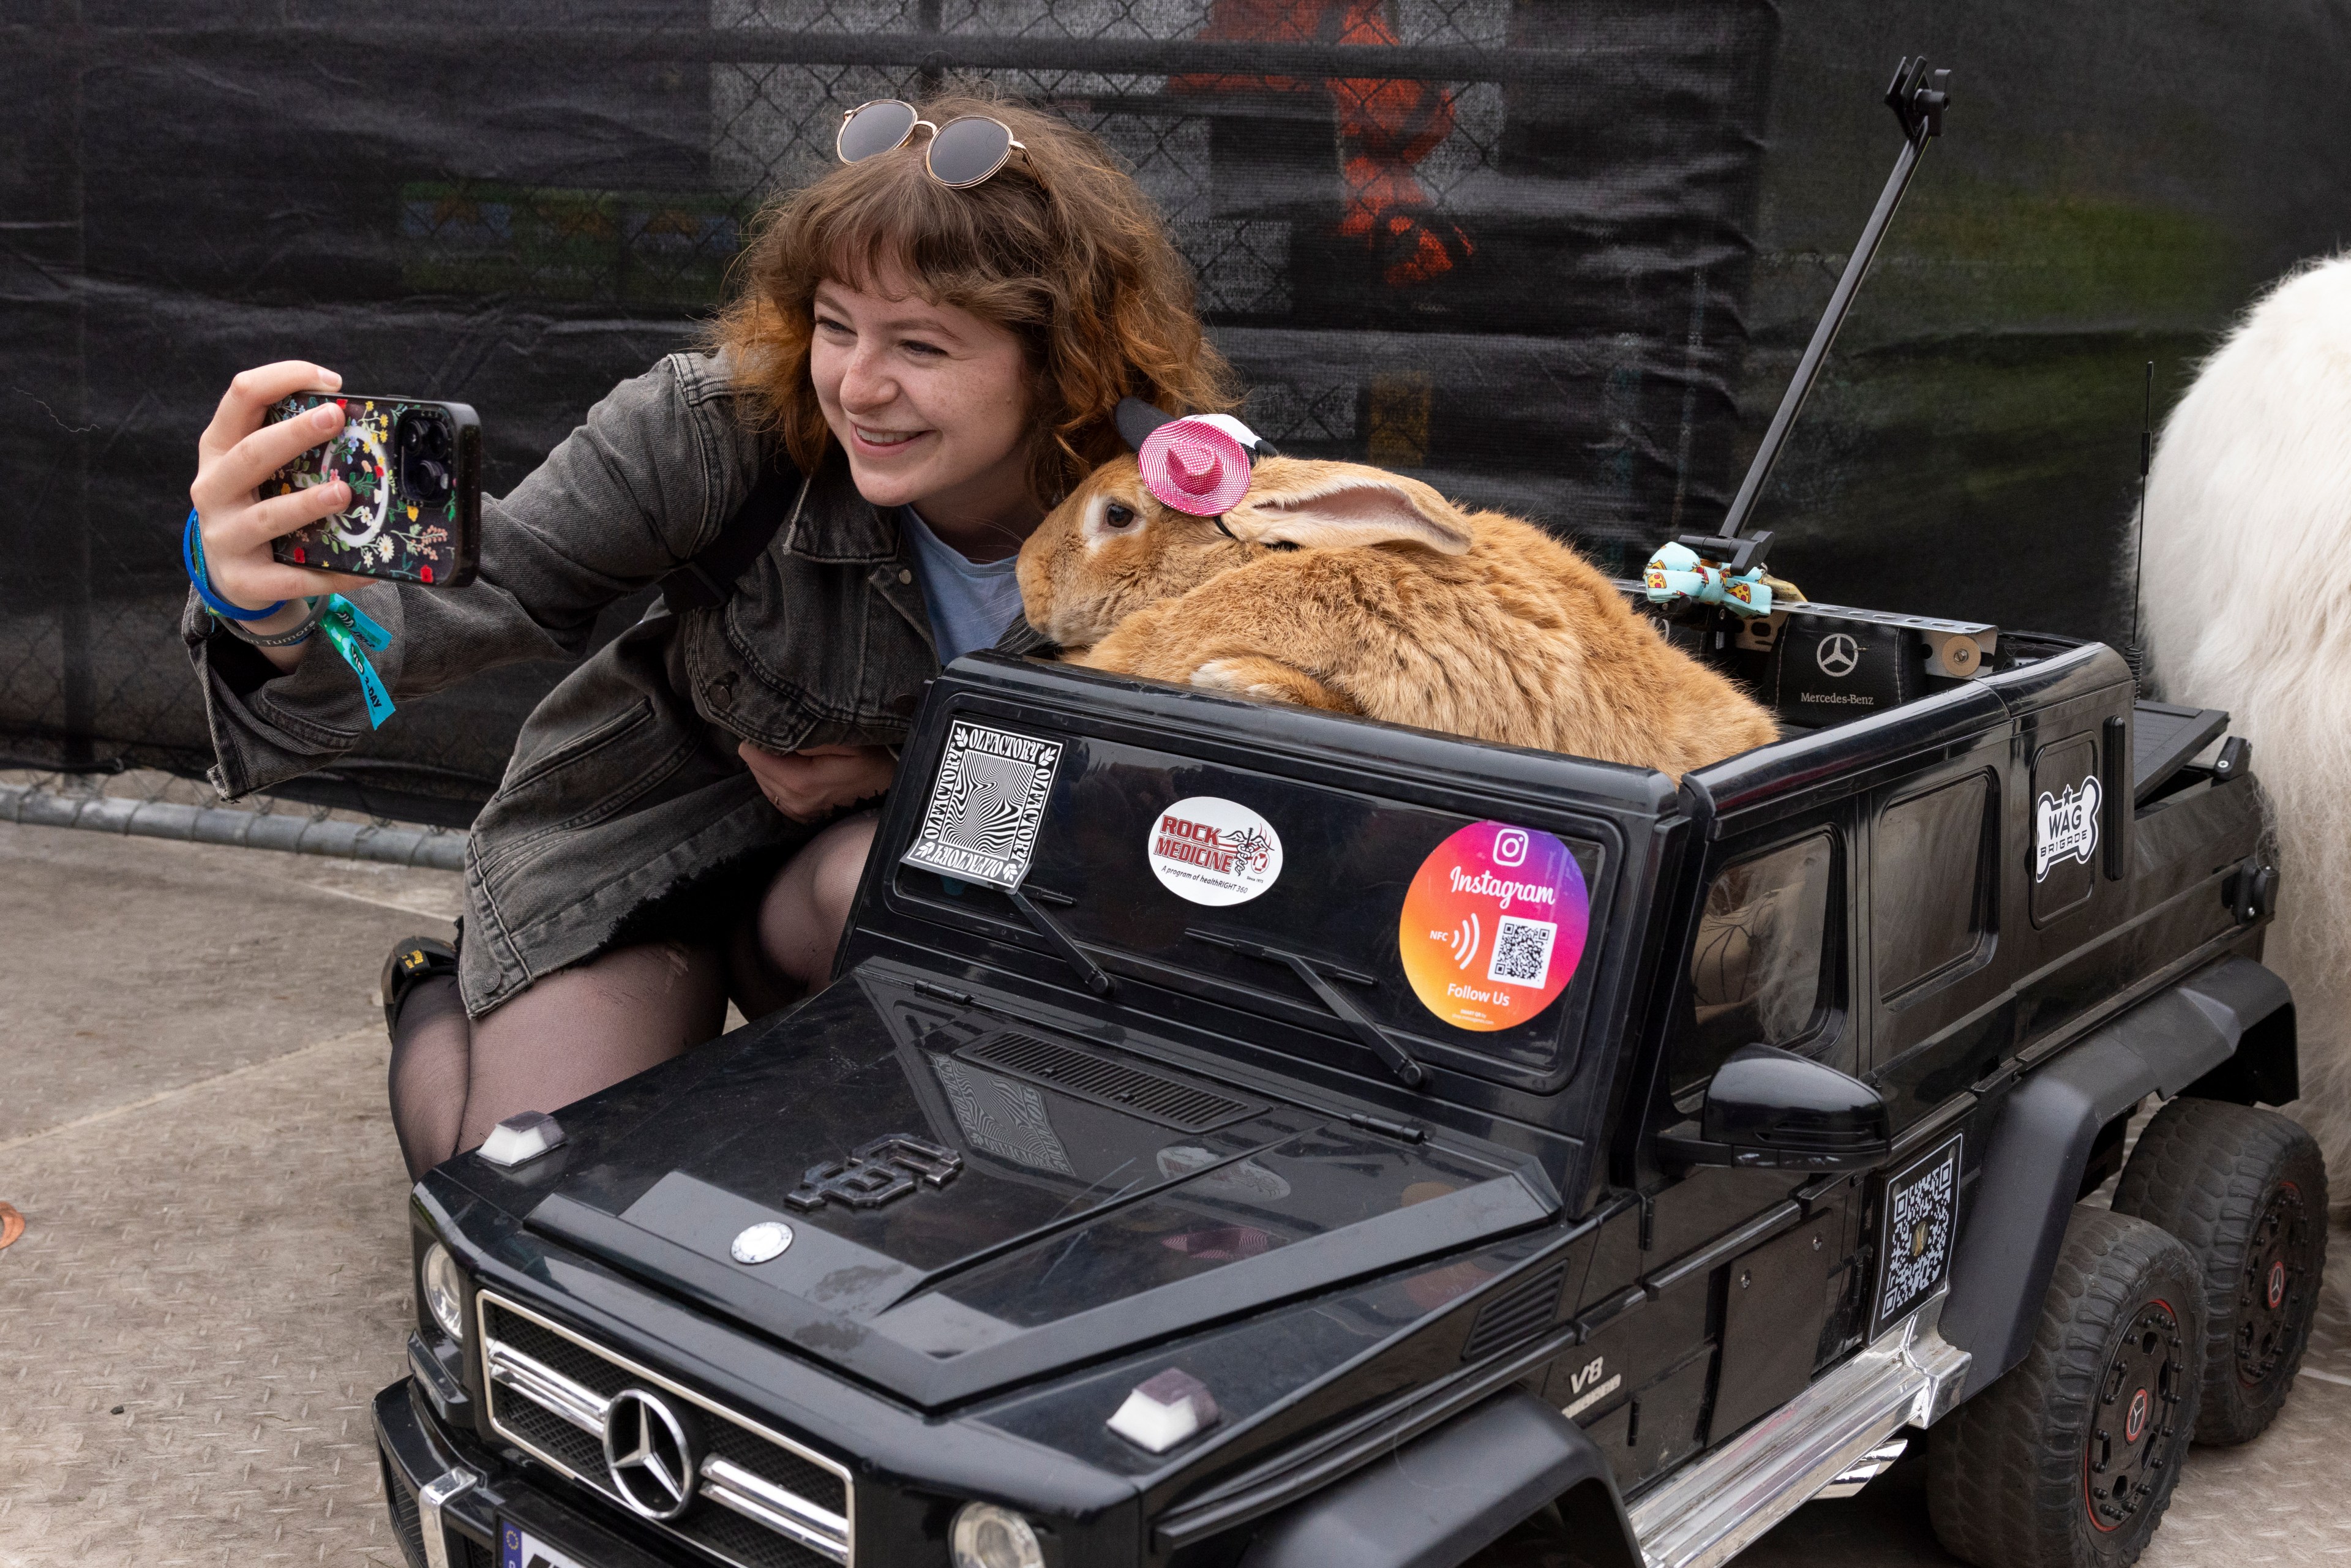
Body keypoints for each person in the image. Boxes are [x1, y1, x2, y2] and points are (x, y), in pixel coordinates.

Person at [182, 91, 1235, 1179]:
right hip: (643, 850)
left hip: (868, 893)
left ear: (1059, 360)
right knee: (526, 1189)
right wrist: (273, 617)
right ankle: (435, 995)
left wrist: (902, 769)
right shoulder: (718, 427)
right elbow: (484, 590)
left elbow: (1169, 813)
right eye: (836, 324)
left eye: (921, 343)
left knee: (901, 904)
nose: (859, 387)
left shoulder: (1174, 513)